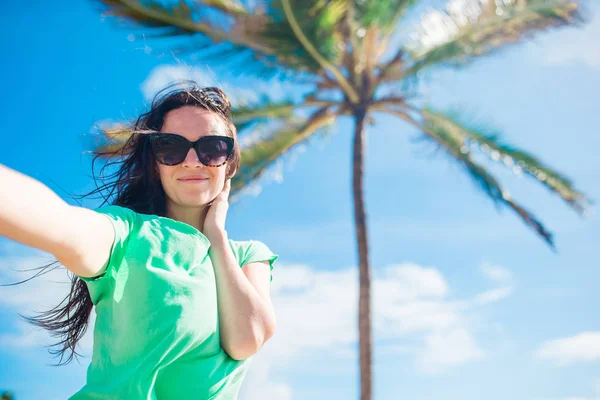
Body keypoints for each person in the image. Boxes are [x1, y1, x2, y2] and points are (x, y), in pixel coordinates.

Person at [0, 84, 278, 399]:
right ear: (155, 164)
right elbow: (58, 222)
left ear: (230, 163)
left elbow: (246, 339)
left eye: (211, 148)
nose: (191, 161)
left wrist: (216, 236)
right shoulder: (126, 233)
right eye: (170, 148)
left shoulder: (248, 257)